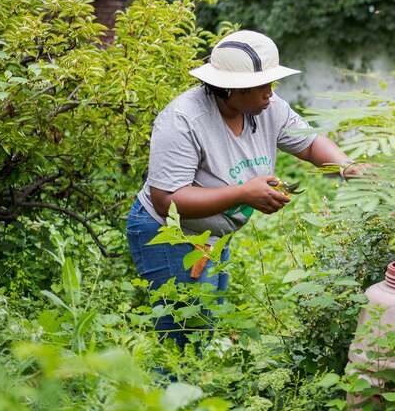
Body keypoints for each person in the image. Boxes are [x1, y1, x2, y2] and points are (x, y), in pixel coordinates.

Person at [128, 29, 358, 348]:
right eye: (261, 85)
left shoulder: (267, 107)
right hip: (168, 235)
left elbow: (310, 144)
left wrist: (348, 167)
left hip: (212, 237)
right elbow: (168, 200)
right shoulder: (183, 120)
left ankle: (194, 394)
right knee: (181, 335)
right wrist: (242, 194)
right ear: (230, 89)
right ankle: (165, 394)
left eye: (271, 83)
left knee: (205, 326)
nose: (270, 92)